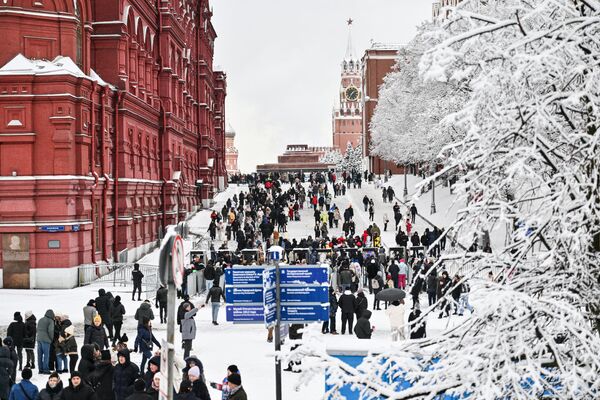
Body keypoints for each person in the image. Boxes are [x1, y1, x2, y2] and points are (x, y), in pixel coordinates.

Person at [36, 309, 55, 374]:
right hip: (46, 340)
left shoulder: (40, 319)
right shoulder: (50, 321)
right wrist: (51, 339)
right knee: (46, 355)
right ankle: (46, 369)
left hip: (39, 339)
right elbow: (51, 330)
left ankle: (40, 369)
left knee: (39, 355)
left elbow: (37, 329)